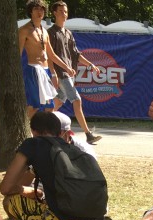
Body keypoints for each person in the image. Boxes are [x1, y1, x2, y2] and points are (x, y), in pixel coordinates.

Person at [0, 110, 126, 220]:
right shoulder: (72, 149)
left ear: (33, 131)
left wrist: (23, 190)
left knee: (10, 202)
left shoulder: (32, 145)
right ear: (59, 132)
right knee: (57, 203)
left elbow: (6, 188)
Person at [48, 1, 102, 144]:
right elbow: (49, 56)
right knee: (76, 100)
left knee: (57, 103)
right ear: (54, 13)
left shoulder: (68, 33)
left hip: (69, 74)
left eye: (65, 11)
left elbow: (76, 54)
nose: (64, 14)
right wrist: (53, 74)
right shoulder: (51, 33)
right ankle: (88, 134)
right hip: (61, 74)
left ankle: (41, 128)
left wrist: (90, 65)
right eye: (61, 11)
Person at [18, 0, 71, 118]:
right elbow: (18, 53)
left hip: (45, 71)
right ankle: (27, 128)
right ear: (30, 12)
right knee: (34, 106)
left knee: (50, 106)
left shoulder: (44, 31)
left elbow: (52, 55)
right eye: (36, 9)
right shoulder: (24, 30)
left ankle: (44, 129)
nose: (39, 12)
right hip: (33, 70)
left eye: (42, 9)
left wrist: (66, 68)